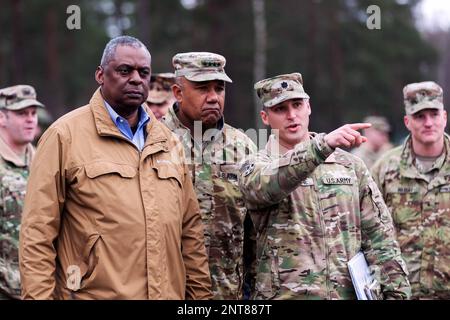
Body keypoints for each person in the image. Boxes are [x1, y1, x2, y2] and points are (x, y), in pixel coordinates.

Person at [19, 36, 211, 300]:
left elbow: (190, 233)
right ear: (100, 74)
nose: (136, 79)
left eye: (143, 72)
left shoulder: (169, 142)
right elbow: (37, 233)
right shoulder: (64, 136)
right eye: (124, 70)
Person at [239, 73, 411, 300]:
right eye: (280, 109)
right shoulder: (255, 166)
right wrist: (322, 146)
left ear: (308, 107)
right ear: (265, 117)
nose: (292, 115)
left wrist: (397, 293)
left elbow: (379, 237)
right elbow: (268, 186)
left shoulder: (349, 166)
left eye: (297, 105)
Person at [162, 52, 257, 299]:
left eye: (219, 88)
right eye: (203, 88)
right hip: (166, 291)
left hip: (226, 293)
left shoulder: (243, 147)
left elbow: (254, 229)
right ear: (178, 92)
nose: (214, 97)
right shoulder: (153, 140)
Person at [372, 81, 449, 299]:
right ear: (407, 121)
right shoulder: (385, 168)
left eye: (433, 114)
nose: (428, 123)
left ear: (444, 117)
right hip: (402, 292)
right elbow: (366, 230)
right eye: (419, 116)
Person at [0, 85, 44, 299]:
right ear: (2, 118)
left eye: (33, 113)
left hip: (40, 286)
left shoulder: (44, 161)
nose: (30, 119)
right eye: (21, 113)